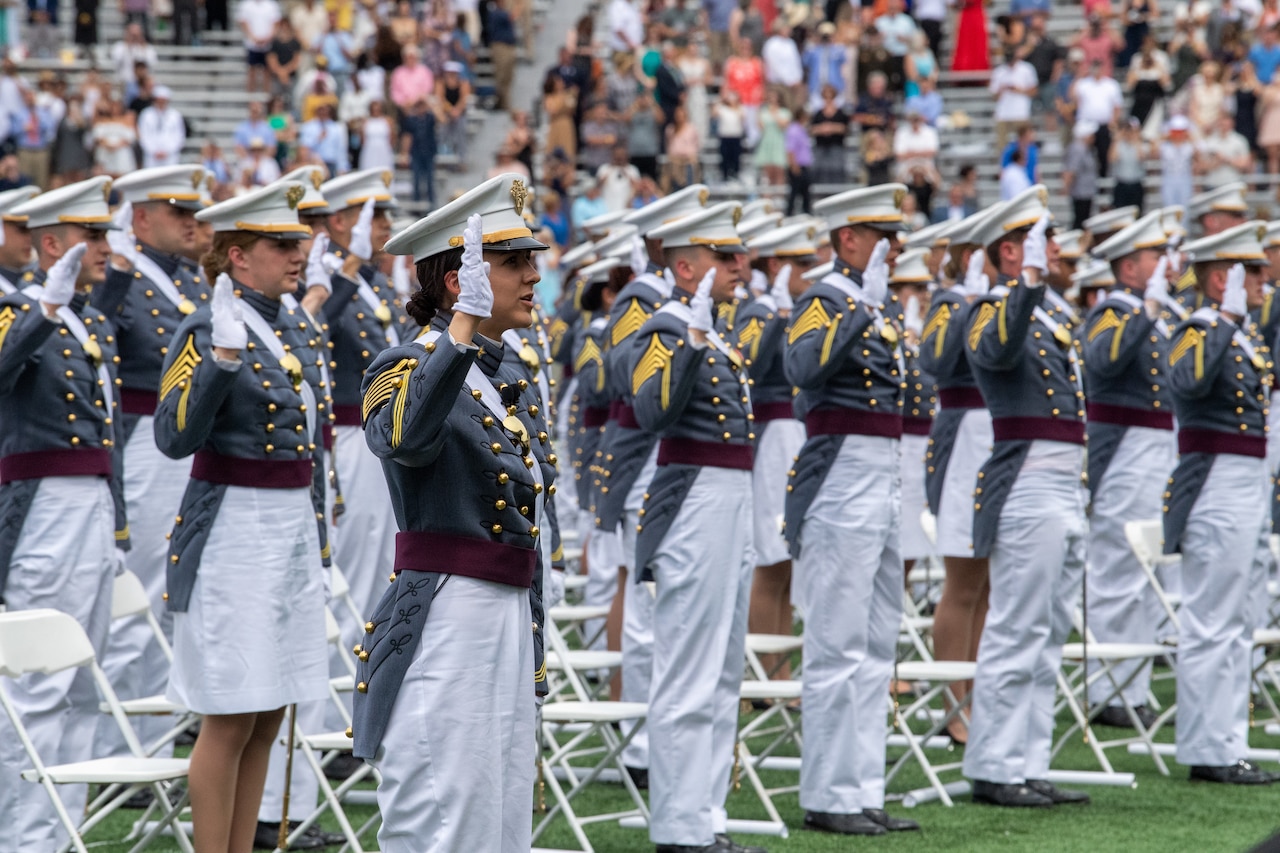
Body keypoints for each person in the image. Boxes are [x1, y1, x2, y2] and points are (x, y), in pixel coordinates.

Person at [351, 173, 551, 851]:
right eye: (514, 262)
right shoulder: (402, 363)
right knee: (443, 804)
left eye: (532, 261)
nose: (532, 275)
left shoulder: (503, 372)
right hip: (447, 612)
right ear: (454, 279)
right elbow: (402, 437)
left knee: (499, 809)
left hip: (504, 609)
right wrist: (458, 332)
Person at [152, 180, 328, 852]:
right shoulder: (206, 327)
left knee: (267, 713)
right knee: (227, 716)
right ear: (236, 257)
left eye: (296, 242)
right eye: (279, 244)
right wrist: (219, 364)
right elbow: (173, 437)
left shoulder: (292, 324)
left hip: (285, 530)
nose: (296, 254)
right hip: (233, 534)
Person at [783, 184, 922, 837]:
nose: (892, 247)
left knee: (876, 638)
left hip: (883, 468)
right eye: (880, 234)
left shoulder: (876, 302)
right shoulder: (823, 298)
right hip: (839, 471)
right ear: (849, 240)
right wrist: (858, 312)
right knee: (837, 638)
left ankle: (861, 784)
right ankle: (828, 791)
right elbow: (803, 366)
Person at [625, 201, 761, 853]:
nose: (740, 265)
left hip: (730, 499)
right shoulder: (665, 328)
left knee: (724, 668)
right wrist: (691, 339)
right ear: (684, 267)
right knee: (689, 666)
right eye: (723, 256)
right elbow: (653, 410)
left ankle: (705, 815)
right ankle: (679, 825)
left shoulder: (711, 329)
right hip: (694, 503)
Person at [0, 176, 123, 853]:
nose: (104, 245)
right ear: (52, 244)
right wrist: (41, 310)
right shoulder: (16, 307)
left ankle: (58, 835)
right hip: (41, 506)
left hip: (92, 507)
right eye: (91, 234)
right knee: (38, 685)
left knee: (82, 684)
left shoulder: (94, 319)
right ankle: (22, 838)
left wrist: (120, 519)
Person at [960, 187, 1090, 809]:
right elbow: (995, 351)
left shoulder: (1051, 314)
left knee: (1049, 630)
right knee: (1017, 625)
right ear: (1010, 252)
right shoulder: (992, 308)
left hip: (1066, 476)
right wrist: (1027, 285)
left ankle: (1028, 759)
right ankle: (993, 763)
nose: (1057, 249)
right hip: (1028, 478)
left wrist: (1037, 291)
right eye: (1042, 240)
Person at [88, 166, 210, 758]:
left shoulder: (186, 280)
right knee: (138, 590)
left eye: (195, 213)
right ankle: (117, 746)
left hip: (182, 441)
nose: (194, 223)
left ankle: (152, 741)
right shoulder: (121, 276)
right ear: (140, 218)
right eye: (178, 213)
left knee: (169, 595)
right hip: (142, 442)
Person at [1164, 222, 1275, 785]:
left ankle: (1227, 740)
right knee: (1212, 620)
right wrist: (1226, 320)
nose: (1262, 280)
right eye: (1249, 271)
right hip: (1214, 484)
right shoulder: (1199, 326)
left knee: (1237, 621)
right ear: (1218, 278)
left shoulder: (1240, 332)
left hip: (1246, 479)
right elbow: (1184, 379)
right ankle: (1208, 748)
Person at [1082, 210, 1175, 732]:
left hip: (1154, 448)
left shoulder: (1147, 313)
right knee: (1118, 569)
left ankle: (1132, 685)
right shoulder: (1112, 313)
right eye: (1153, 258)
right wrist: (1148, 313)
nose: (1163, 265)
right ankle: (1108, 687)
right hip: (1124, 452)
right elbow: (1106, 360)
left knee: (1144, 574)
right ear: (1129, 268)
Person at [317, 170, 405, 655]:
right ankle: (332, 704)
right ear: (339, 222)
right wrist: (347, 265)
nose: (384, 225)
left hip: (387, 437)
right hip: (351, 436)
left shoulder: (377, 283)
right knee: (352, 566)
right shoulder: (329, 279)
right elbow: (314, 325)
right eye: (374, 216)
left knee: (381, 565)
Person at [732, 223, 815, 680]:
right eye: (802, 264)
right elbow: (748, 366)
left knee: (784, 561)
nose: (811, 273)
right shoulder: (760, 310)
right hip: (769, 435)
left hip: (792, 433)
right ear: (779, 266)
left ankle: (778, 668)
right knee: (771, 556)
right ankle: (766, 673)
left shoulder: (795, 309)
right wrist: (774, 313)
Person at [990, 49, 1038, 152]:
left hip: (1021, 112)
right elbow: (994, 96)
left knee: (1025, 145)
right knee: (1002, 147)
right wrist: (1002, 90)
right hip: (1003, 114)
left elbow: (1034, 91)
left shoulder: (1026, 69)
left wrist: (1018, 90)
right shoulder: (999, 72)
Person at [237, 0, 282, 94]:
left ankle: (266, 95)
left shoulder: (271, 5)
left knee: (267, 71)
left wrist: (268, 37)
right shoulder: (246, 4)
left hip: (267, 43)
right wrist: (253, 37)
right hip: (252, 43)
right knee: (252, 71)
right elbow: (243, 22)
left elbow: (276, 23)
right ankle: (251, 97)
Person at [137, 86, 186, 169]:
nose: (161, 103)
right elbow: (143, 134)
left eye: (163, 101)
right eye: (159, 100)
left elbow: (179, 135)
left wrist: (168, 151)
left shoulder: (175, 115)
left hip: (170, 155)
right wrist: (152, 150)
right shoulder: (146, 114)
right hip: (152, 155)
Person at [1064, 121, 1101, 228]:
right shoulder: (1078, 149)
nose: (1093, 137)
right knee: (1080, 221)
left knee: (1084, 220)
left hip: (1086, 191)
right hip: (1080, 192)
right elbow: (1071, 170)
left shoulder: (1086, 148)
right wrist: (1067, 186)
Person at [756, 89, 791, 187]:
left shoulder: (784, 112)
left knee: (779, 171)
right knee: (767, 173)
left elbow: (783, 126)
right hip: (767, 141)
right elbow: (760, 127)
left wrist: (774, 113)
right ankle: (768, 197)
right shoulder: (763, 111)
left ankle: (779, 197)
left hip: (779, 142)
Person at [784, 107, 812, 215]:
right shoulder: (794, 130)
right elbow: (790, 149)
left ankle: (806, 212)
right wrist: (793, 165)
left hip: (803, 164)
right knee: (794, 192)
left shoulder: (801, 129)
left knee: (805, 192)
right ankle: (789, 213)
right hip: (797, 165)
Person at [952, 0, 991, 72]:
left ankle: (979, 68)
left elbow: (989, 2)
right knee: (965, 43)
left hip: (977, 14)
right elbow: (954, 4)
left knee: (978, 43)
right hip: (966, 15)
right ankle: (964, 68)